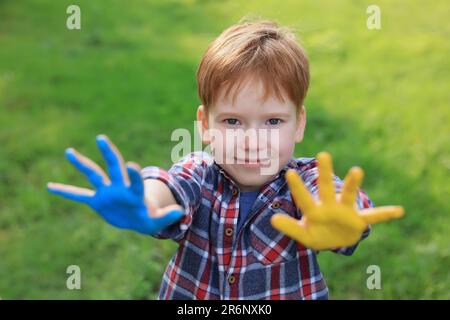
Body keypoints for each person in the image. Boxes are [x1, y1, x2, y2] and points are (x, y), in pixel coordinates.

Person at [47, 18, 404, 299]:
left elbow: (336, 201)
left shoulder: (306, 181)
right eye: (232, 121)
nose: (251, 141)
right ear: (204, 125)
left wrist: (343, 219)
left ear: (300, 124)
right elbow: (169, 188)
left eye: (273, 121)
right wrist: (146, 203)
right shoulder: (200, 173)